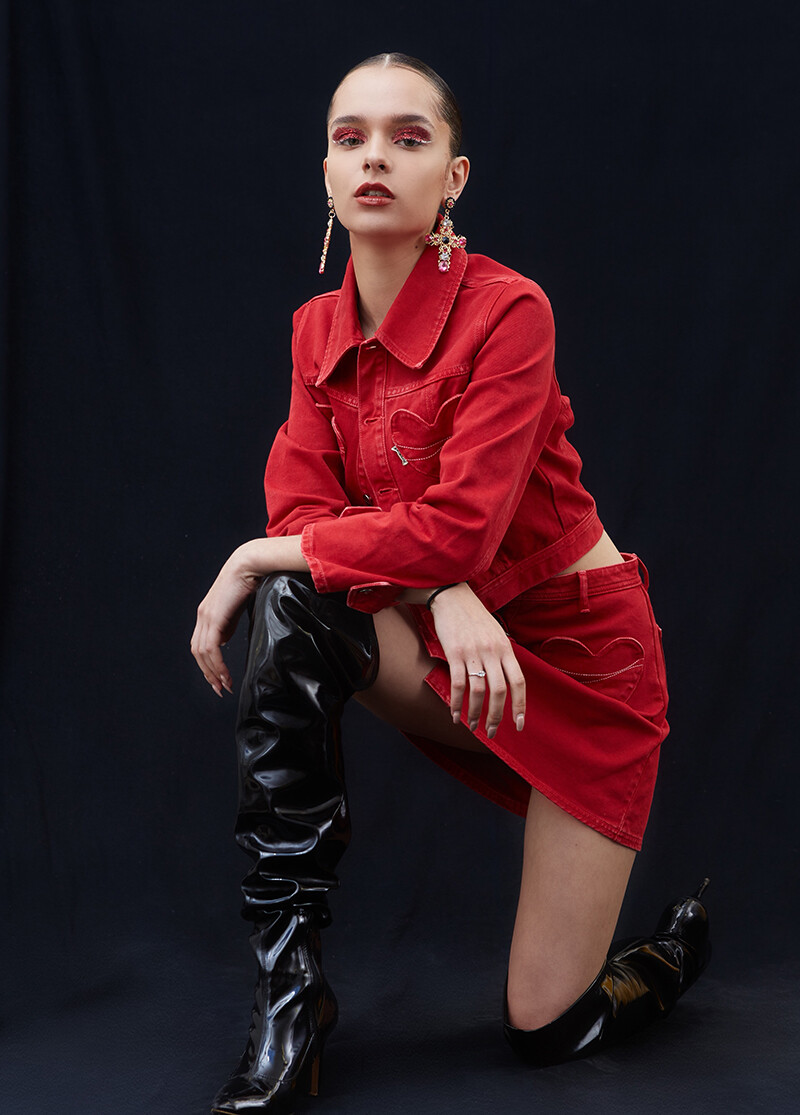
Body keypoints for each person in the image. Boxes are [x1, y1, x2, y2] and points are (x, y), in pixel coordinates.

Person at [191, 53, 710, 1115]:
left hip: (581, 666)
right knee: (297, 602)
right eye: (349, 138)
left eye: (408, 137)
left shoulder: (510, 310)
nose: (374, 157)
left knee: (546, 1027)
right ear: (327, 174)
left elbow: (462, 525)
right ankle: (291, 992)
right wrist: (436, 590)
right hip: (454, 648)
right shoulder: (314, 329)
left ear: (453, 178)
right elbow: (303, 513)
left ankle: (664, 958)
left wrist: (248, 556)